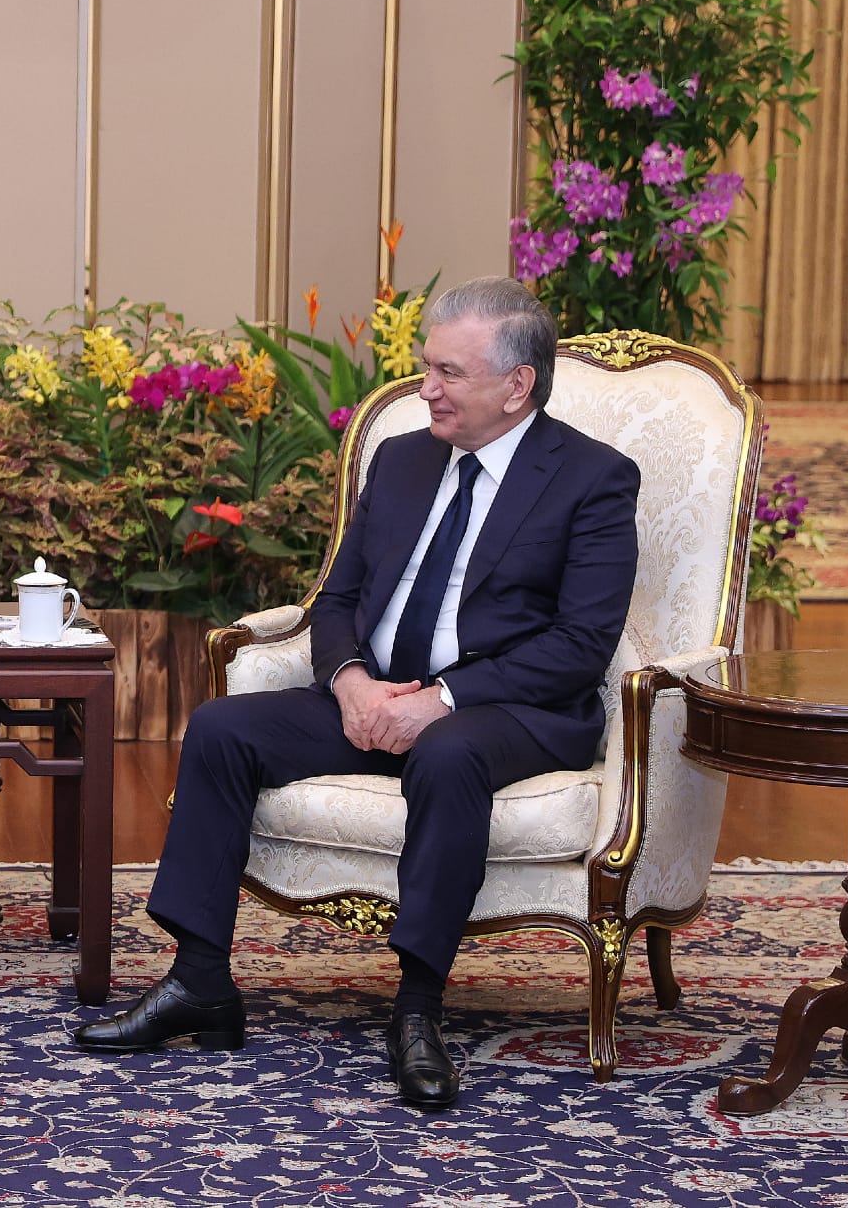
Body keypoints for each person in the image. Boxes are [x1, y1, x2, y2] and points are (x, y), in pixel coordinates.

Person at [73, 275, 639, 1111]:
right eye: (425, 367)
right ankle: (199, 982)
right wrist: (348, 682)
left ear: (518, 385)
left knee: (447, 755)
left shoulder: (592, 479)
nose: (426, 389)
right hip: (375, 692)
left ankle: (416, 1008)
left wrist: (439, 700)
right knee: (223, 729)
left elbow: (580, 646)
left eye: (448, 372)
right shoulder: (404, 456)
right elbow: (335, 598)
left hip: (510, 711)